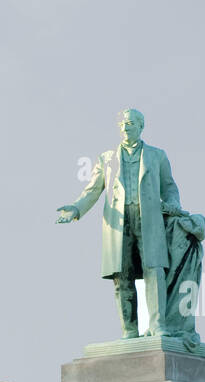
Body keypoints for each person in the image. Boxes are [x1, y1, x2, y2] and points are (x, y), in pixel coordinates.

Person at [56, 108, 181, 339]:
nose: (126, 127)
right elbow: (92, 190)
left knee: (154, 271)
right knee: (121, 275)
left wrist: (173, 204)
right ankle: (129, 331)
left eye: (131, 123)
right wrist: (76, 208)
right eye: (123, 124)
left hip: (149, 220)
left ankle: (157, 325)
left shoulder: (157, 156)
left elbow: (170, 187)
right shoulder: (107, 159)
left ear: (141, 126)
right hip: (118, 222)